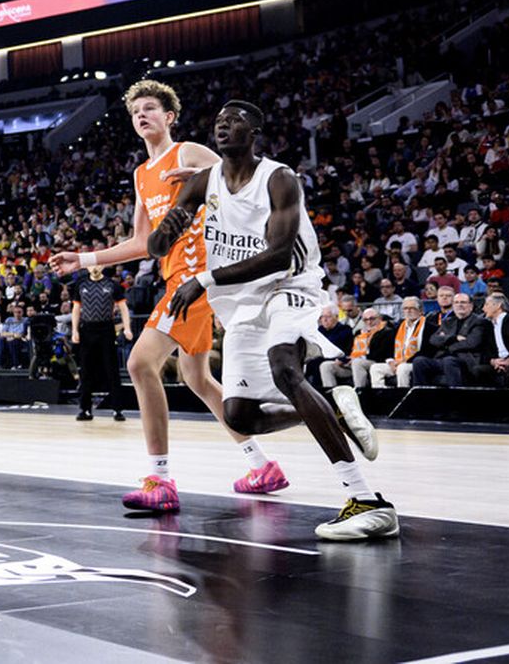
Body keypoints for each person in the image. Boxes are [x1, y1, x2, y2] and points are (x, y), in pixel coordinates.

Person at [153, 100, 396, 541]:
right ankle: (333, 412)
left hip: (291, 284)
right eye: (219, 121)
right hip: (244, 300)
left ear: (255, 130)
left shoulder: (278, 178)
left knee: (286, 368)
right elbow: (160, 237)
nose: (224, 126)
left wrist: (202, 280)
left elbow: (279, 255)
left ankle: (367, 500)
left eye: (235, 121)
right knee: (240, 416)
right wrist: (164, 225)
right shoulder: (204, 182)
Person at [52, 80, 285, 514]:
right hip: (176, 277)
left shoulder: (190, 152)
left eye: (150, 108)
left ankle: (160, 479)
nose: (142, 115)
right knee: (197, 380)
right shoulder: (142, 176)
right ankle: (262, 466)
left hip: (199, 277)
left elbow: (246, 183)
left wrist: (204, 181)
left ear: (169, 117)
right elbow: (143, 242)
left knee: (139, 363)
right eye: (135, 111)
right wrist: (83, 259)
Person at [70, 265, 130, 421]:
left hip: (106, 329)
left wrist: (127, 328)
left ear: (102, 266)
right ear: (88, 268)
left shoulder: (112, 284)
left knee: (112, 369)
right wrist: (75, 330)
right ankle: (85, 409)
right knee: (86, 370)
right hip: (87, 330)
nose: (94, 268)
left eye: (97, 264)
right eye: (91, 265)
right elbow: (76, 309)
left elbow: (123, 307)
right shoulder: (81, 284)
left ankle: (117, 409)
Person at [409, 292, 486, 386]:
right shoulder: (447, 322)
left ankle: (453, 398)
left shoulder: (479, 321)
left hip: (465, 360)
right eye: (456, 302)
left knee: (449, 361)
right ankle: (421, 397)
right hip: (442, 359)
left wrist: (447, 346)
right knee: (419, 361)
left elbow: (472, 343)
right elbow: (433, 339)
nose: (459, 305)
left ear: (471, 305)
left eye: (463, 302)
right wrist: (453, 338)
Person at [319, 306, 393, 390]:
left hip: (374, 362)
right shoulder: (359, 333)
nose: (369, 322)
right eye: (365, 319)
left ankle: (360, 392)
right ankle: (331, 395)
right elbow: (349, 350)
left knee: (357, 362)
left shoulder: (386, 332)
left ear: (379, 318)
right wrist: (343, 359)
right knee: (326, 366)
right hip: (353, 362)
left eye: (372, 319)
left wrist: (358, 358)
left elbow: (380, 354)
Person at [367, 298, 428, 389]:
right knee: (375, 368)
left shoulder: (427, 326)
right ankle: (380, 397)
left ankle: (402, 397)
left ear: (420, 311)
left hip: (413, 363)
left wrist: (405, 361)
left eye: (412, 308)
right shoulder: (398, 327)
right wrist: (390, 361)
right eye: (405, 308)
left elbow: (427, 349)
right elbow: (388, 347)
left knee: (402, 368)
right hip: (397, 362)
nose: (408, 311)